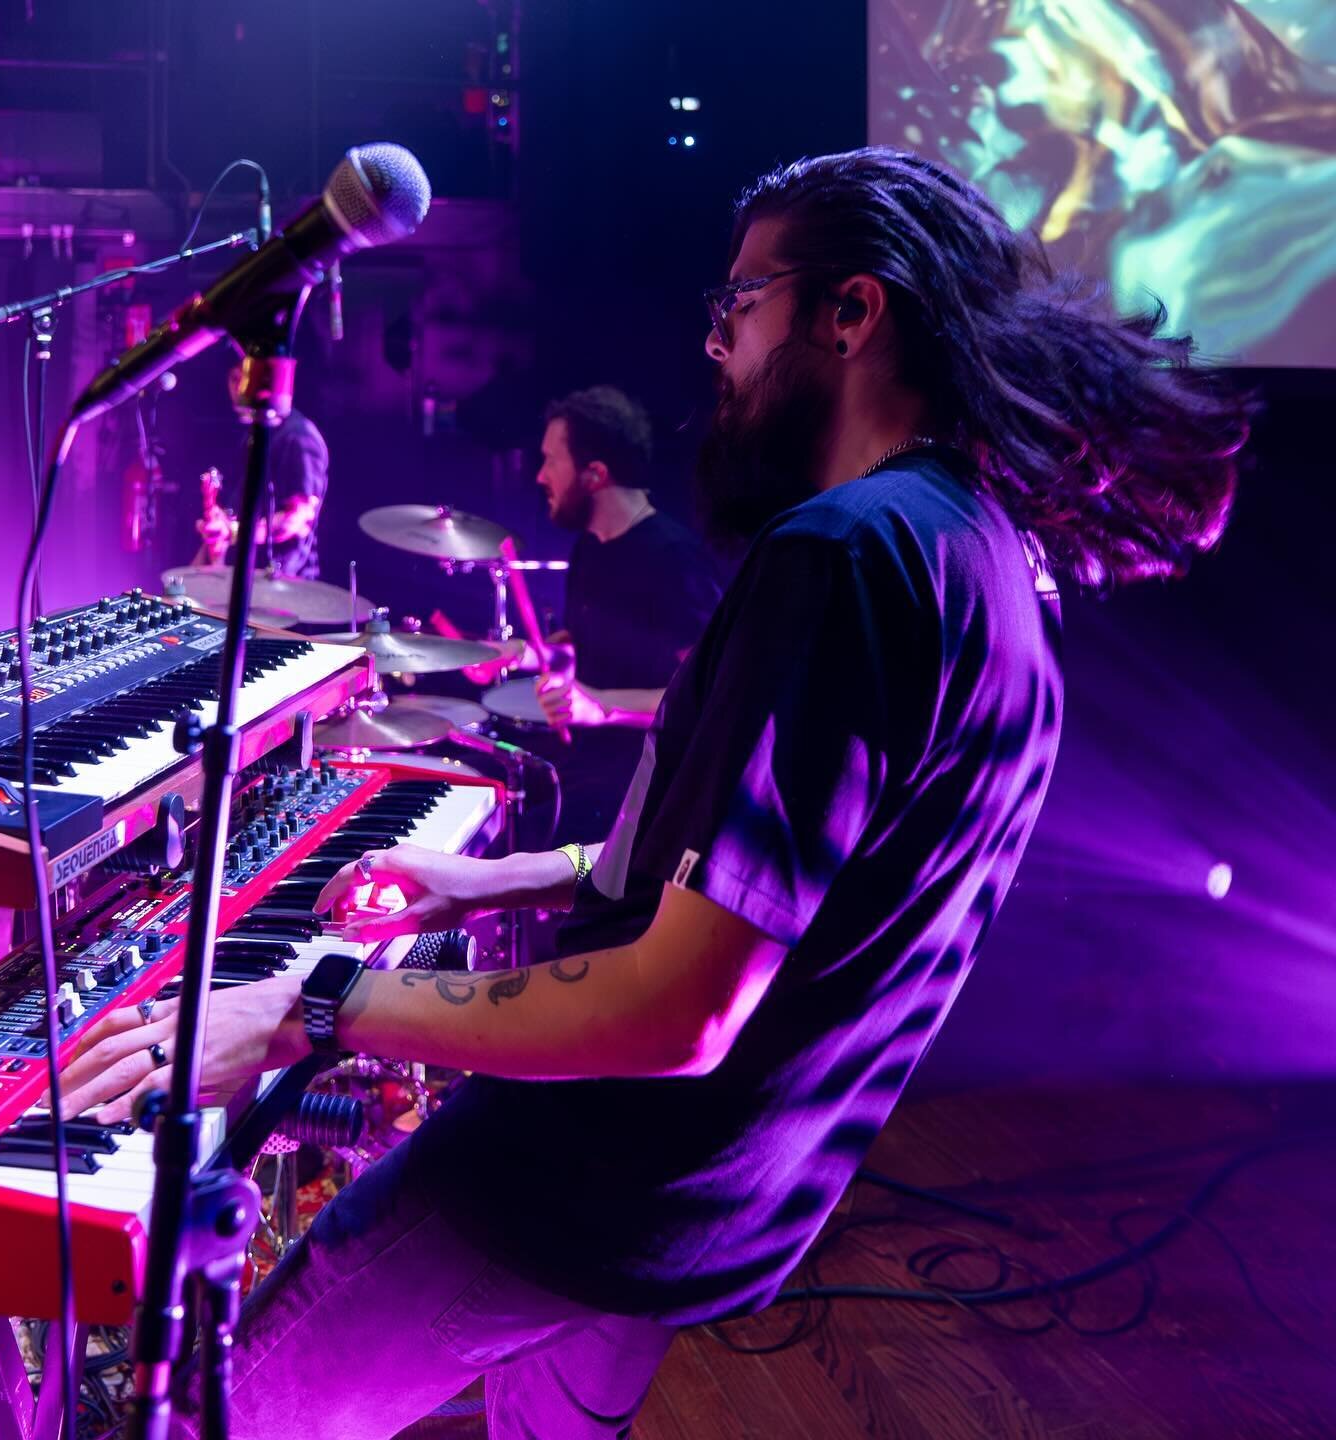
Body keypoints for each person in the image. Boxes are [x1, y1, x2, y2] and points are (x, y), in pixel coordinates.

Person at [60, 147, 1248, 1439]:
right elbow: (800, 878)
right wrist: (510, 874)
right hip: (723, 1214)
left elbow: (678, 1012)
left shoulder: (844, 557)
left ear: (850, 314)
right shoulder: (985, 561)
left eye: (740, 308)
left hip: (581, 1181)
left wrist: (316, 1004)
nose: (718, 349)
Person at [472, 385, 722, 840]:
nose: (540, 476)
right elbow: (580, 646)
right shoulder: (590, 547)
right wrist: (520, 654)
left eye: (551, 461)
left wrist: (601, 708)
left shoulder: (674, 561)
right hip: (586, 761)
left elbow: (705, 700)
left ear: (595, 474)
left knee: (514, 838)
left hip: (643, 784)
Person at [194, 364, 330, 580]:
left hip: (284, 584)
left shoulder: (299, 437)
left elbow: (297, 520)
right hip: (245, 577)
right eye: (233, 378)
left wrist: (233, 531)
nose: (239, 388)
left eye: (246, 377)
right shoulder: (257, 431)